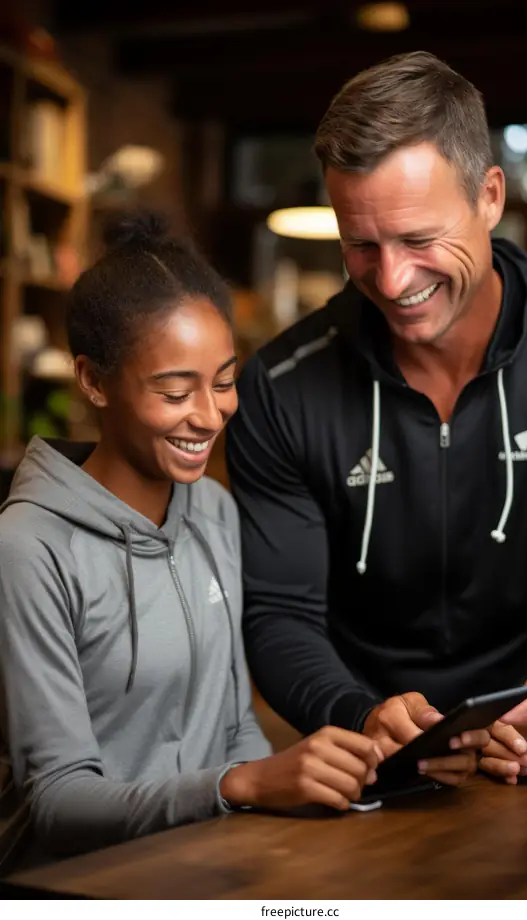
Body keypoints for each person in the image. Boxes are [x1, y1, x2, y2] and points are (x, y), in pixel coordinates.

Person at [226, 50, 527, 786]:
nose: (392, 281)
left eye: (420, 239)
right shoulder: (277, 388)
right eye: (361, 244)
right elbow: (278, 612)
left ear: (490, 196)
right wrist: (356, 713)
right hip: (370, 767)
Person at [0, 212, 407, 865]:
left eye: (223, 382)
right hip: (71, 886)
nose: (209, 414)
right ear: (93, 381)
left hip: (206, 864)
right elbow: (55, 800)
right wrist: (237, 786)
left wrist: (294, 784)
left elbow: (232, 724)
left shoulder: (214, 511)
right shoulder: (28, 548)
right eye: (173, 391)